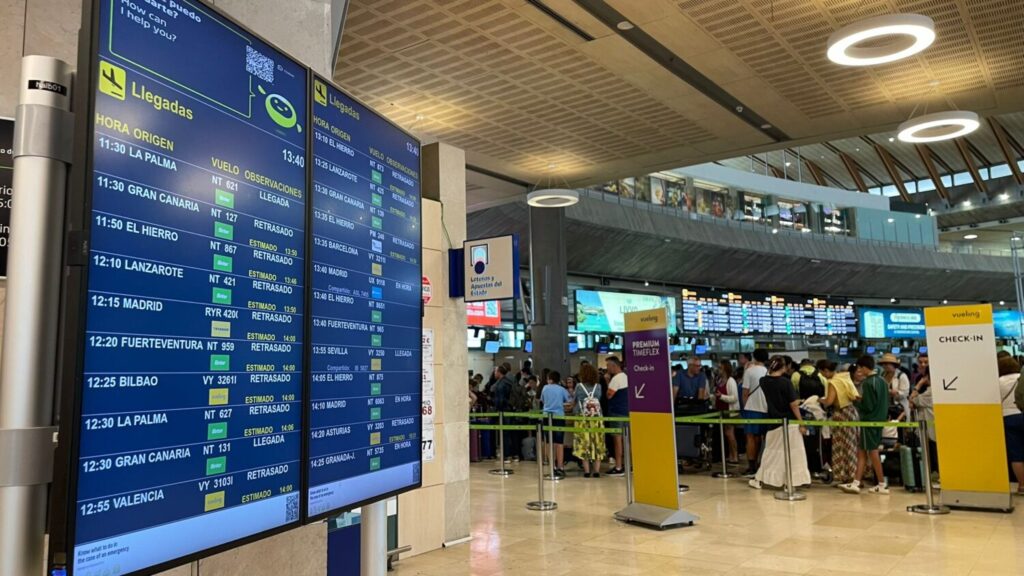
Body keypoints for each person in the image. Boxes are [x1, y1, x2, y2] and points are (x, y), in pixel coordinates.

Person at [749, 355, 808, 490]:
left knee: (770, 453)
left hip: (773, 422)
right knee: (793, 454)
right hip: (790, 422)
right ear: (784, 367)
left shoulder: (763, 381)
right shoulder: (786, 382)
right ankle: (790, 482)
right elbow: (793, 404)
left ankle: (760, 479)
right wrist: (802, 422)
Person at [840, 356, 890, 495]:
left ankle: (881, 483)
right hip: (879, 418)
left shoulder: (868, 383)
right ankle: (856, 482)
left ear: (863, 367)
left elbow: (867, 406)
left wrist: (856, 401)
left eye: (860, 368)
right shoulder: (882, 381)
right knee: (861, 451)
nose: (859, 371)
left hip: (869, 420)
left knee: (872, 451)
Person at [574, 363, 607, 477]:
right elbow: (600, 398)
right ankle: (597, 471)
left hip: (582, 418)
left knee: (584, 443)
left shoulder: (579, 387)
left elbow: (575, 400)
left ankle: (587, 471)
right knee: (598, 443)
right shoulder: (598, 387)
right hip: (597, 418)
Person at [998, 357, 1024, 495]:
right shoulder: (1021, 377)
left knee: (1016, 454)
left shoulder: (998, 382)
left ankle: (1022, 486)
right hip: (1022, 412)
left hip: (1007, 418)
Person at [742, 348, 770, 476]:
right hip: (766, 408)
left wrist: (744, 405)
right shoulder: (768, 372)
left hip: (751, 407)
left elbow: (745, 392)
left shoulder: (749, 371)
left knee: (750, 437)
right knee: (762, 437)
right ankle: (761, 463)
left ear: (754, 357)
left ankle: (751, 466)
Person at [539, 371, 571, 478]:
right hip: (559, 416)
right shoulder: (562, 389)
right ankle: (560, 466)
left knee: (549, 442)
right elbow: (569, 401)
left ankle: (551, 465)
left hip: (547, 417)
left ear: (550, 379)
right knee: (559, 442)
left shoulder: (545, 388)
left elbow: (542, 401)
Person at [605, 356, 629, 476]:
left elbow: (609, 395)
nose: (607, 368)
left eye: (608, 366)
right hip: (626, 412)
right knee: (627, 440)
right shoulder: (626, 377)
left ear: (614, 366)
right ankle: (629, 464)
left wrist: (607, 381)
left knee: (617, 440)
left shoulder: (615, 379)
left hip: (616, 413)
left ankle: (619, 466)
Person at [714, 360, 740, 463]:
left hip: (730, 412)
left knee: (730, 434)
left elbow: (734, 398)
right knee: (727, 434)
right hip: (722, 411)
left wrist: (721, 397)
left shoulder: (731, 381)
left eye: (720, 367)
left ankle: (735, 456)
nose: (718, 369)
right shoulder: (719, 380)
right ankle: (731, 455)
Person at [491, 364, 516, 462]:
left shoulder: (500, 384)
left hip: (504, 411)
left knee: (504, 433)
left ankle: (506, 455)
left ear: (499, 372)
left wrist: (497, 409)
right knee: (510, 433)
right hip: (510, 410)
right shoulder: (509, 382)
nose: (494, 373)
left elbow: (500, 400)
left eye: (495, 371)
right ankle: (513, 454)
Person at [879, 353, 910, 419]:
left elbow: (905, 393)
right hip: (886, 408)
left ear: (893, 364)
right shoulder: (882, 375)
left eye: (887, 364)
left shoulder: (901, 376)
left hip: (900, 408)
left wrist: (894, 393)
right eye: (883, 364)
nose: (884, 366)